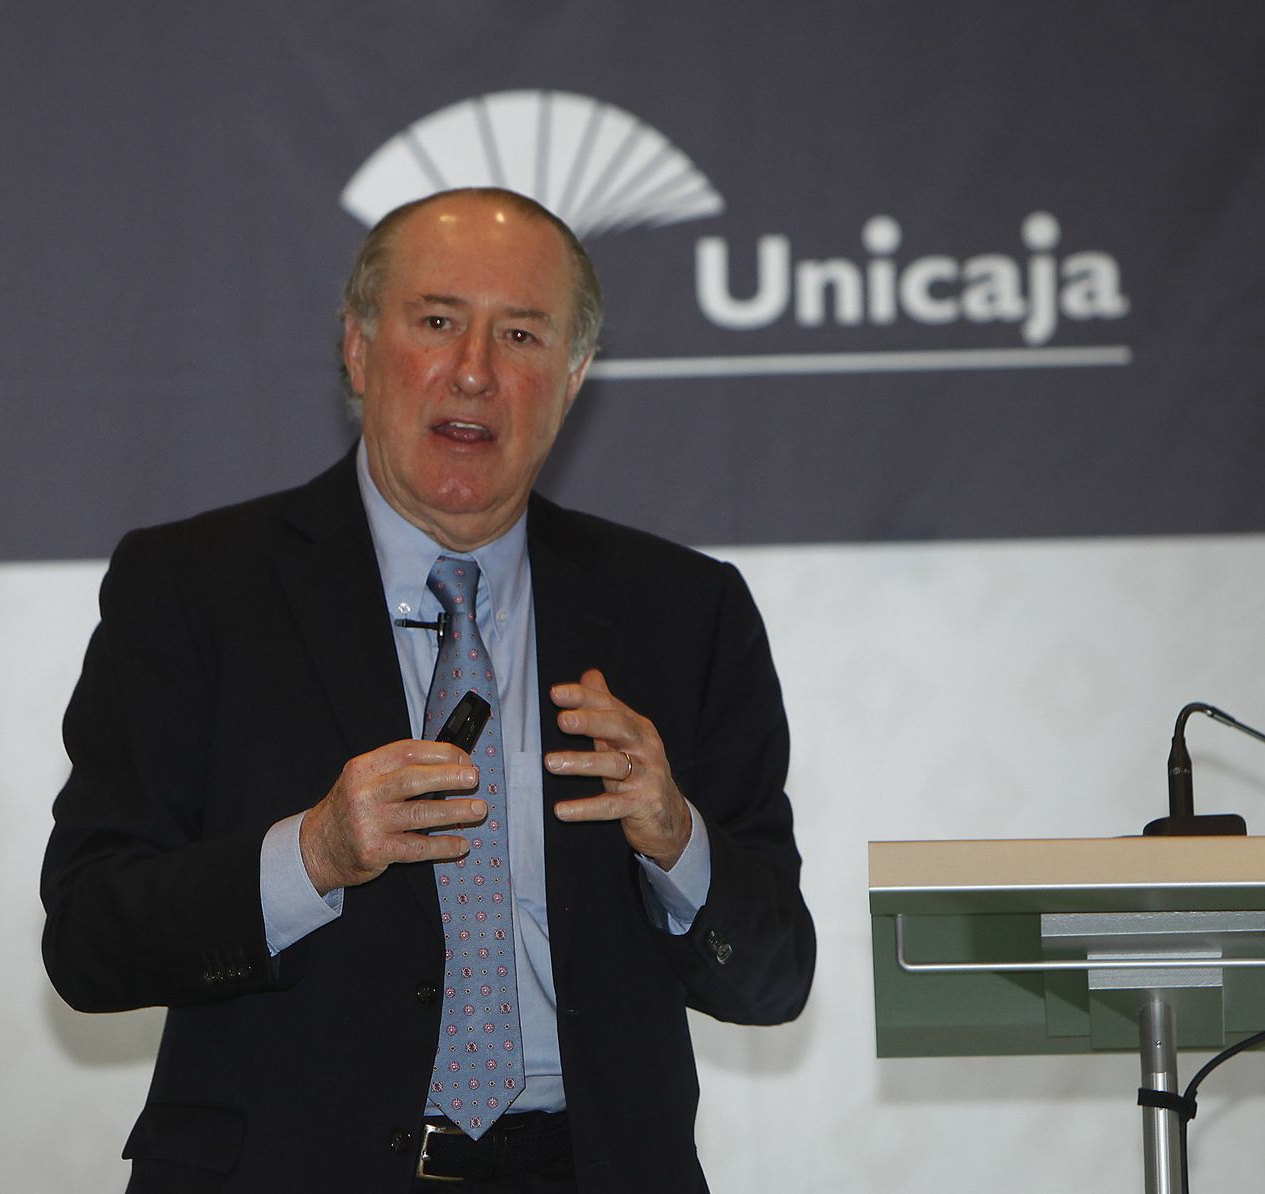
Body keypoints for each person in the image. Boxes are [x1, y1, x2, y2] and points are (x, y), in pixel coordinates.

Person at [42, 187, 815, 1193]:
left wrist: (678, 840)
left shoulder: (683, 612)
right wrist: (310, 855)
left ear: (573, 377)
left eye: (523, 335)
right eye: (437, 321)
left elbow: (773, 978)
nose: (475, 372)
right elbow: (91, 940)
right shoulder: (197, 589)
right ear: (359, 351)